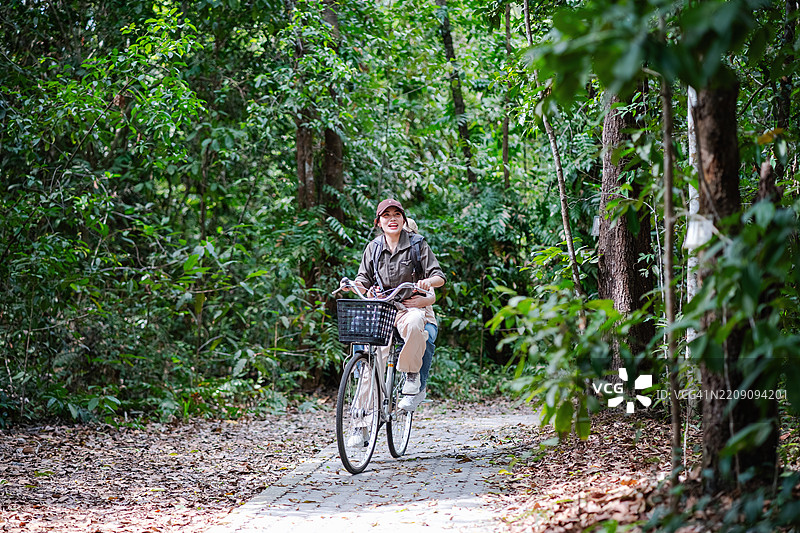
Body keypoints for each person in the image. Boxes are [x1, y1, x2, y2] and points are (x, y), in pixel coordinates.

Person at [343, 199, 445, 420]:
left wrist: (427, 283)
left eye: (396, 215)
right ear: (378, 222)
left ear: (403, 219)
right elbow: (363, 278)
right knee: (372, 360)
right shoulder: (374, 248)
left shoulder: (417, 244)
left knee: (417, 323)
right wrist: (355, 286)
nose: (392, 219)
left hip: (408, 308)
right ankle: (361, 418)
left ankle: (412, 376)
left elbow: (438, 277)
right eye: (386, 215)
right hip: (382, 311)